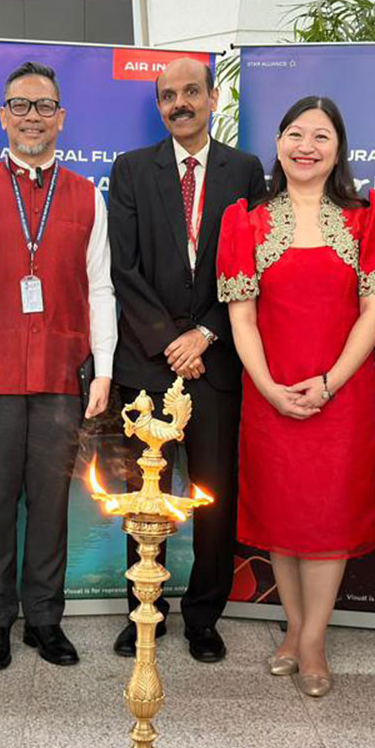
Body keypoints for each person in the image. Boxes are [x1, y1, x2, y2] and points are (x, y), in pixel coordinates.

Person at [0, 61, 115, 671]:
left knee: (51, 504)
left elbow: (101, 291)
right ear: (2, 116)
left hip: (63, 377)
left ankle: (44, 619)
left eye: (43, 106)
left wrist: (107, 370)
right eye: (20, 105)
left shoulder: (87, 194)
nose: (31, 117)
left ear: (61, 118)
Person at [216, 96, 375, 697]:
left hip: (340, 393)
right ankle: (294, 627)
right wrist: (268, 388)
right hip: (271, 391)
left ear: (338, 147)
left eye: (320, 135)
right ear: (279, 143)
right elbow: (242, 318)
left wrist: (332, 380)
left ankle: (313, 639)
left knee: (328, 520)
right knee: (283, 520)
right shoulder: (246, 219)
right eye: (295, 134)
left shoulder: (369, 216)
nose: (306, 146)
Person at [107, 57, 267, 664]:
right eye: (168, 95)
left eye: (190, 92)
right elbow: (123, 268)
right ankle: (140, 609)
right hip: (148, 366)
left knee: (213, 496)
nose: (180, 103)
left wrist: (205, 334)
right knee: (142, 496)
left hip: (217, 360)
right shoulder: (131, 171)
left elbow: (253, 269)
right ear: (159, 105)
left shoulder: (245, 171)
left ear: (212, 98)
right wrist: (171, 341)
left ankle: (204, 616)